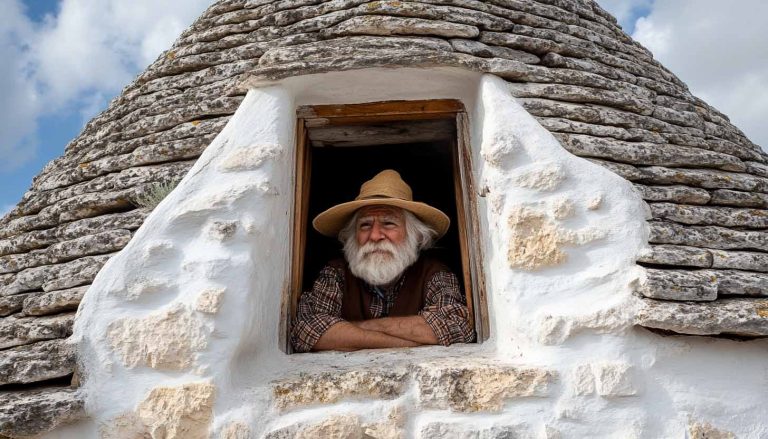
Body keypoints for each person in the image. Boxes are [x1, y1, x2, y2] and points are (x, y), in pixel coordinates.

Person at [291, 169, 475, 353]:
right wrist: (408, 343)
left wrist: (349, 329)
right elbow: (307, 330)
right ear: (352, 236)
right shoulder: (335, 273)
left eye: (388, 223)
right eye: (365, 225)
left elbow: (456, 326)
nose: (375, 235)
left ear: (415, 235)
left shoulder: (435, 274)